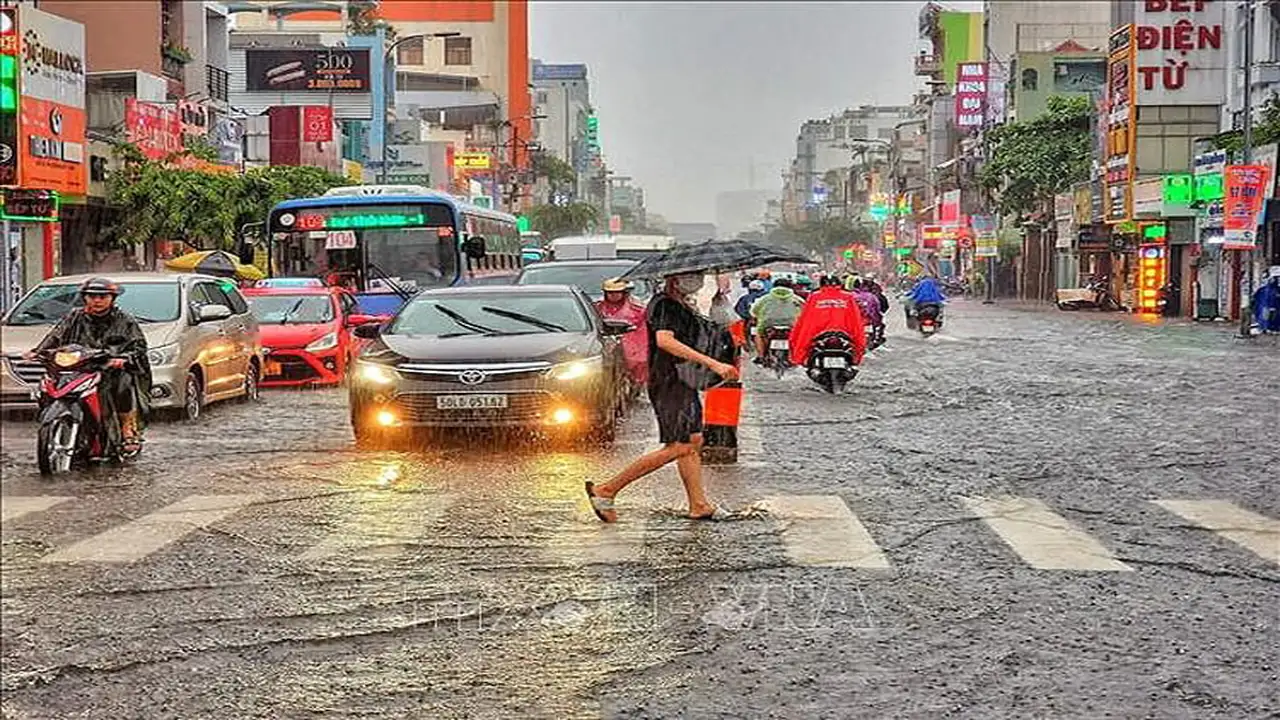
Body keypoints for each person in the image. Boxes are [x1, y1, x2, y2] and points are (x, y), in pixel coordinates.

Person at [585, 272, 738, 522]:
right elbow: (665, 341)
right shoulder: (664, 304)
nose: (697, 280)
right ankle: (607, 490)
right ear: (675, 278)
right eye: (692, 275)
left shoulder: (681, 304)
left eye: (699, 275)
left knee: (692, 442)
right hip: (669, 382)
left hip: (682, 380)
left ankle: (698, 504)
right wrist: (712, 363)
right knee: (679, 446)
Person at [27, 278, 151, 453]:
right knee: (49, 385)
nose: (97, 300)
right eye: (92, 296)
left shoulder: (125, 320)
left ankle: (127, 429)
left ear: (112, 298)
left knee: (124, 383)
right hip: (79, 367)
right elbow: (55, 336)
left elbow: (138, 347)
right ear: (85, 298)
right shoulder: (74, 316)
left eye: (102, 296)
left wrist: (123, 359)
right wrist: (38, 352)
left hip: (109, 369)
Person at [789, 274, 867, 368]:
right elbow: (855, 319)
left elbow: (806, 318)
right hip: (843, 333)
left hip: (818, 333)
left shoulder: (814, 296)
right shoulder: (848, 296)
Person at [597, 278, 649, 387]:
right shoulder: (596, 308)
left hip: (632, 350)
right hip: (604, 349)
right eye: (610, 293)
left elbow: (643, 334)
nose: (613, 295)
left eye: (617, 292)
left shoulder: (638, 310)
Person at [749, 276, 805, 361]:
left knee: (759, 335)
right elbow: (805, 311)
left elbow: (754, 311)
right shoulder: (796, 299)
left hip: (768, 324)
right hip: (791, 324)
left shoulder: (765, 298)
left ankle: (760, 356)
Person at [851, 279, 885, 347]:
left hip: (852, 323)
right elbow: (877, 310)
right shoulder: (872, 297)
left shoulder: (850, 296)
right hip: (868, 322)